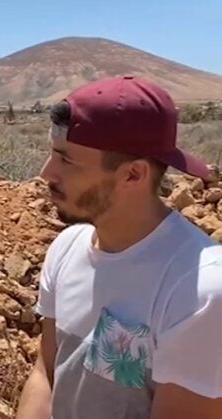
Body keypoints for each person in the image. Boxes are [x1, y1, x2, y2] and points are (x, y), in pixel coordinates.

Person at [16, 75, 222, 419]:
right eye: (52, 155)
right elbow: (45, 372)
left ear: (133, 175)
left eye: (66, 160)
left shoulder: (199, 291)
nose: (46, 173)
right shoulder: (66, 248)